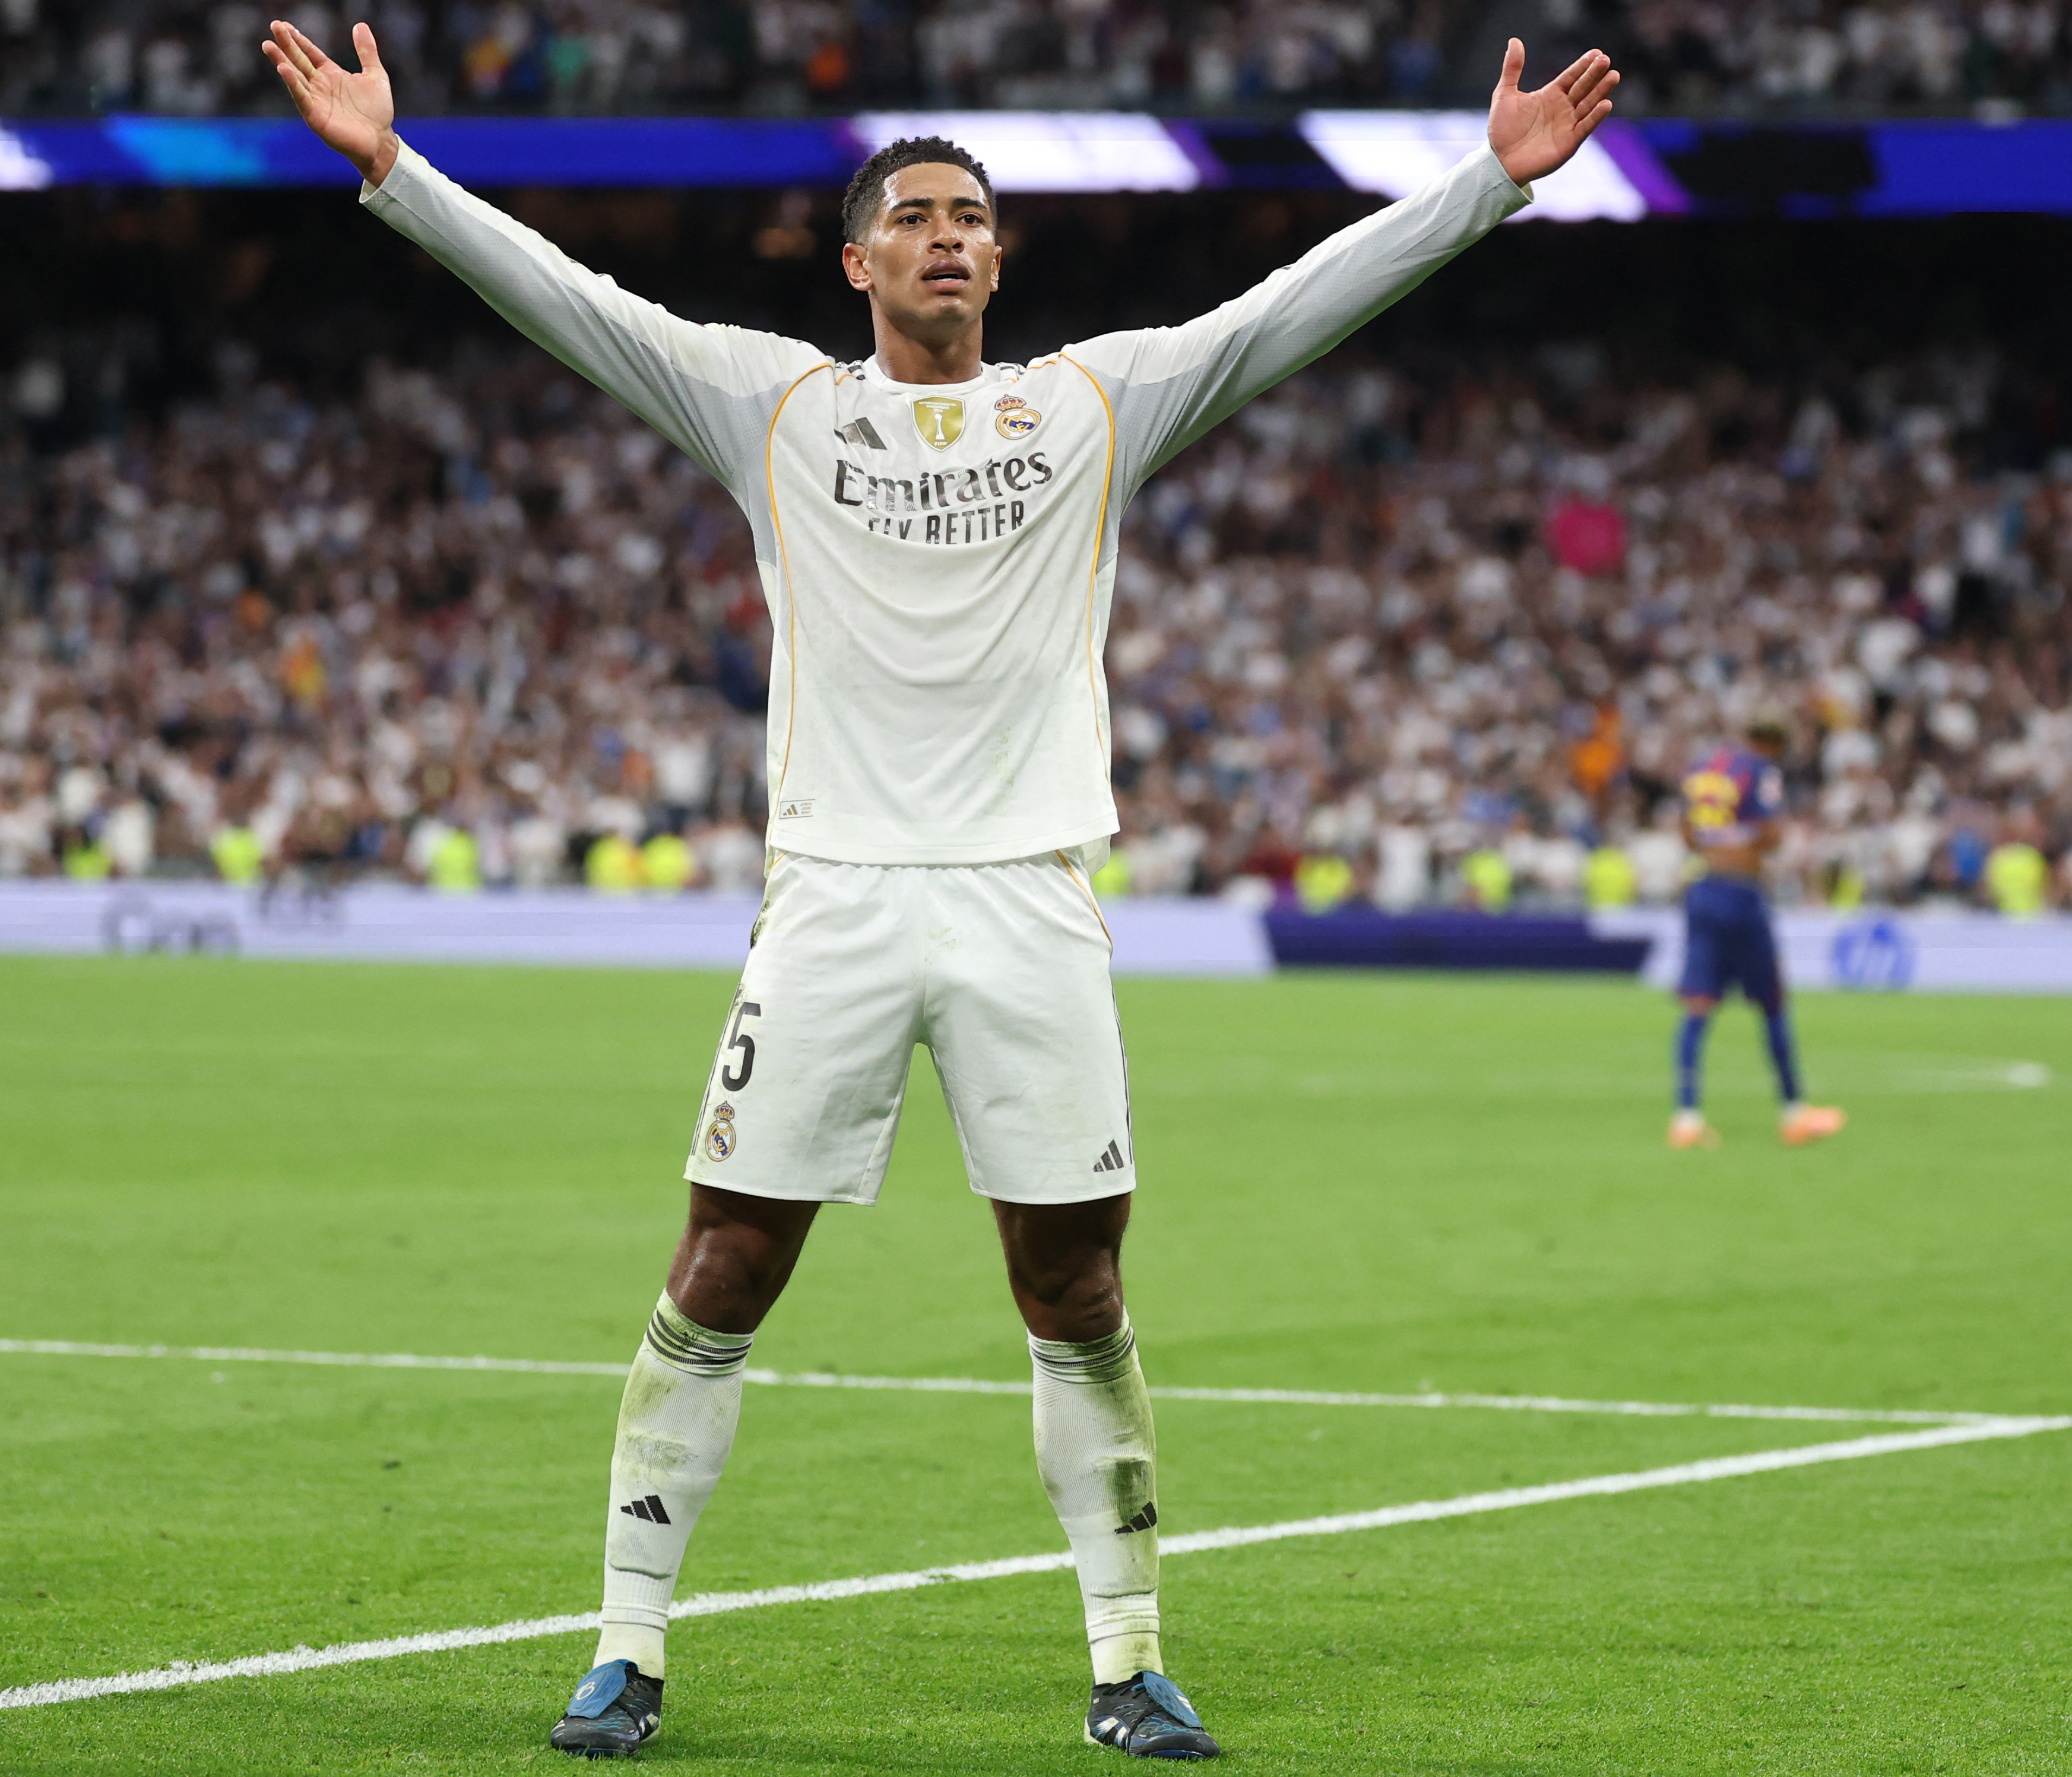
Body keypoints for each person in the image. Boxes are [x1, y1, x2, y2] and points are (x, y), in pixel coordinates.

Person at [261, 15, 1620, 1760]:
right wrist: (394, 172)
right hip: (831, 889)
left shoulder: (1090, 402)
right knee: (722, 1259)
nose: (947, 234)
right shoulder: (772, 403)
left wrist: (1479, 192)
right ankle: (624, 1649)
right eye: (912, 214)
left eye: (971, 214)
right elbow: (575, 305)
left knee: (1074, 1288)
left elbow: (1284, 310)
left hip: (1026, 895)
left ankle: (1127, 1660)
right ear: (855, 260)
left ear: (999, 254)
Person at [1667, 716, 1846, 1151]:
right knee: (1771, 1000)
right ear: (1772, 744)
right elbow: (1771, 833)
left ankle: (1686, 1118)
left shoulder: (1702, 767)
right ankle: (1793, 1112)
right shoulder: (1760, 770)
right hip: (1741, 894)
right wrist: (1748, 850)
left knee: (1698, 1004)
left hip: (1703, 889)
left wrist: (1715, 848)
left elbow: (1687, 829)